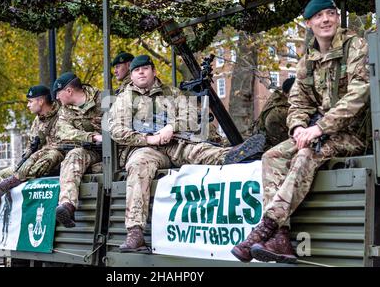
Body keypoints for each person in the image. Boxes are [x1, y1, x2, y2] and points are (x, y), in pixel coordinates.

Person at [231, 0, 370, 263]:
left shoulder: (355, 46)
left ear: (338, 18)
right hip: (318, 131)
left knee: (306, 155)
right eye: (318, 16)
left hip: (351, 134)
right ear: (309, 23)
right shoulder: (308, 58)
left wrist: (318, 128)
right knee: (272, 156)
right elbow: (297, 102)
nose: (326, 19)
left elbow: (358, 95)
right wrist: (297, 127)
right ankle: (281, 238)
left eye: (330, 13)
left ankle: (265, 227)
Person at [108, 55, 265, 252]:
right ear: (131, 75)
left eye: (145, 68)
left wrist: (171, 127)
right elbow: (116, 130)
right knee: (138, 165)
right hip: (145, 149)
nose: (141, 72)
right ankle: (135, 232)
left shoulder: (171, 93)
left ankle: (234, 155)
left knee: (200, 150)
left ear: (154, 72)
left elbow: (191, 116)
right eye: (136, 70)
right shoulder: (124, 99)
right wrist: (149, 139)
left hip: (175, 142)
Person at [0, 85, 63, 245]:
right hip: (33, 163)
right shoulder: (37, 121)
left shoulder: (61, 115)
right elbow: (31, 146)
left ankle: (14, 179)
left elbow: (60, 146)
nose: (28, 105)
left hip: (54, 161)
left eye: (30, 101)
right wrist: (24, 159)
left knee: (51, 155)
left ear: (41, 101)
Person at [52, 72, 103, 228]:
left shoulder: (103, 99)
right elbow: (64, 132)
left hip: (115, 150)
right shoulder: (64, 111)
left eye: (58, 94)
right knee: (73, 155)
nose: (56, 98)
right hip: (91, 150)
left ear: (69, 91)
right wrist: (92, 137)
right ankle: (67, 205)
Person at [252, 77, 296, 150]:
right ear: (286, 94)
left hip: (262, 140)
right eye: (294, 92)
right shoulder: (281, 111)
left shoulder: (277, 99)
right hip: (270, 147)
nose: (299, 94)